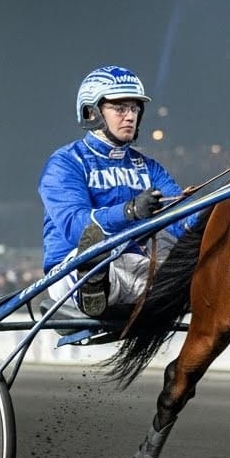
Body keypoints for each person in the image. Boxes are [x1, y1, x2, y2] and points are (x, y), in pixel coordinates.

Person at [39, 65, 194, 318]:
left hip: (135, 263)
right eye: (120, 108)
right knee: (97, 250)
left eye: (134, 108)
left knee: (205, 260)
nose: (130, 116)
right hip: (70, 267)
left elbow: (182, 219)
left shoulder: (148, 167)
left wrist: (221, 216)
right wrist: (130, 211)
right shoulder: (65, 162)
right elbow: (75, 225)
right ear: (92, 112)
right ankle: (93, 282)